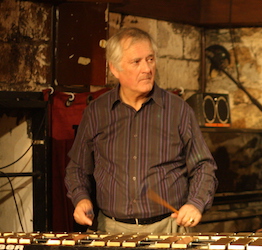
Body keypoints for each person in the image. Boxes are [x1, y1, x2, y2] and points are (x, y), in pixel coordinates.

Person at [65, 27, 218, 234]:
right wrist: (81, 198)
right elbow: (77, 168)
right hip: (110, 229)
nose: (147, 69)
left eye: (150, 59)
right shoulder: (97, 112)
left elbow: (203, 165)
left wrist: (196, 203)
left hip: (168, 228)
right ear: (114, 69)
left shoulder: (178, 110)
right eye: (136, 62)